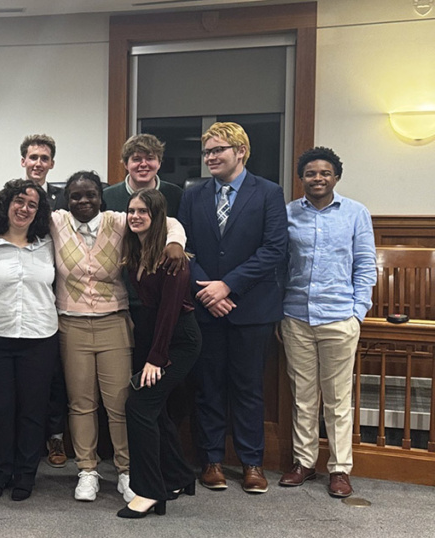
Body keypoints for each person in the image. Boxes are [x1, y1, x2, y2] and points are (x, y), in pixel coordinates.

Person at [50, 171, 187, 503]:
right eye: (76, 196)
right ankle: (87, 470)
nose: (84, 202)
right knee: (81, 403)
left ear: (101, 197)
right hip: (72, 324)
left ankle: (126, 471)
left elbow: (167, 222)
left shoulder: (118, 220)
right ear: (67, 200)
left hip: (114, 322)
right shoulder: (56, 222)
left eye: (90, 195)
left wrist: (175, 244)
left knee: (119, 404)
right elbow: (12, 212)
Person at [177, 122, 287, 494]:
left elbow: (274, 249)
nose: (210, 157)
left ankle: (252, 462)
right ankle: (211, 461)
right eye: (207, 152)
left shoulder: (269, 193)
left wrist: (229, 285)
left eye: (218, 150)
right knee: (208, 388)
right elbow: (183, 248)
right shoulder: (193, 195)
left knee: (248, 388)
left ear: (240, 151)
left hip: (251, 309)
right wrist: (209, 289)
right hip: (206, 306)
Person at [278, 147, 376, 498]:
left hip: (339, 317)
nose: (317, 178)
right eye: (310, 173)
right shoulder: (288, 214)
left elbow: (365, 265)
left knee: (337, 399)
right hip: (296, 317)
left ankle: (339, 468)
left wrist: (357, 312)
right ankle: (304, 463)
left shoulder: (355, 213)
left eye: (324, 173)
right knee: (303, 397)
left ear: (336, 176)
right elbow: (280, 265)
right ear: (301, 178)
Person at [116, 189, 202, 519]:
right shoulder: (136, 248)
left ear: (158, 218)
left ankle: (150, 491)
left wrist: (157, 358)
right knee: (155, 409)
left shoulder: (173, 259)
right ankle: (179, 475)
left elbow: (168, 312)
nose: (135, 216)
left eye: (143, 212)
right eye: (131, 210)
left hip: (177, 340)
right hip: (152, 336)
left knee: (139, 405)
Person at [0, 179, 58, 501]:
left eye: (32, 204)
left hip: (39, 336)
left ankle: (25, 474)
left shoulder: (50, 243)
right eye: (18, 201)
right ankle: (0, 471)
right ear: (5, 204)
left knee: (32, 411)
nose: (24, 209)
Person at [19, 134, 68, 468]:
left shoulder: (66, 200)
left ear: (51, 163)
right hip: (18, 296)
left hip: (55, 295)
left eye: (44, 158)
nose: (37, 163)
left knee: (53, 377)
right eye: (32, 157)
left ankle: (55, 437)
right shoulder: (9, 195)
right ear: (23, 160)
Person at [102, 133, 183, 217]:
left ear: (159, 163)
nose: (143, 164)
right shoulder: (106, 197)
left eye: (150, 158)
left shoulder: (176, 195)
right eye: (136, 159)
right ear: (126, 164)